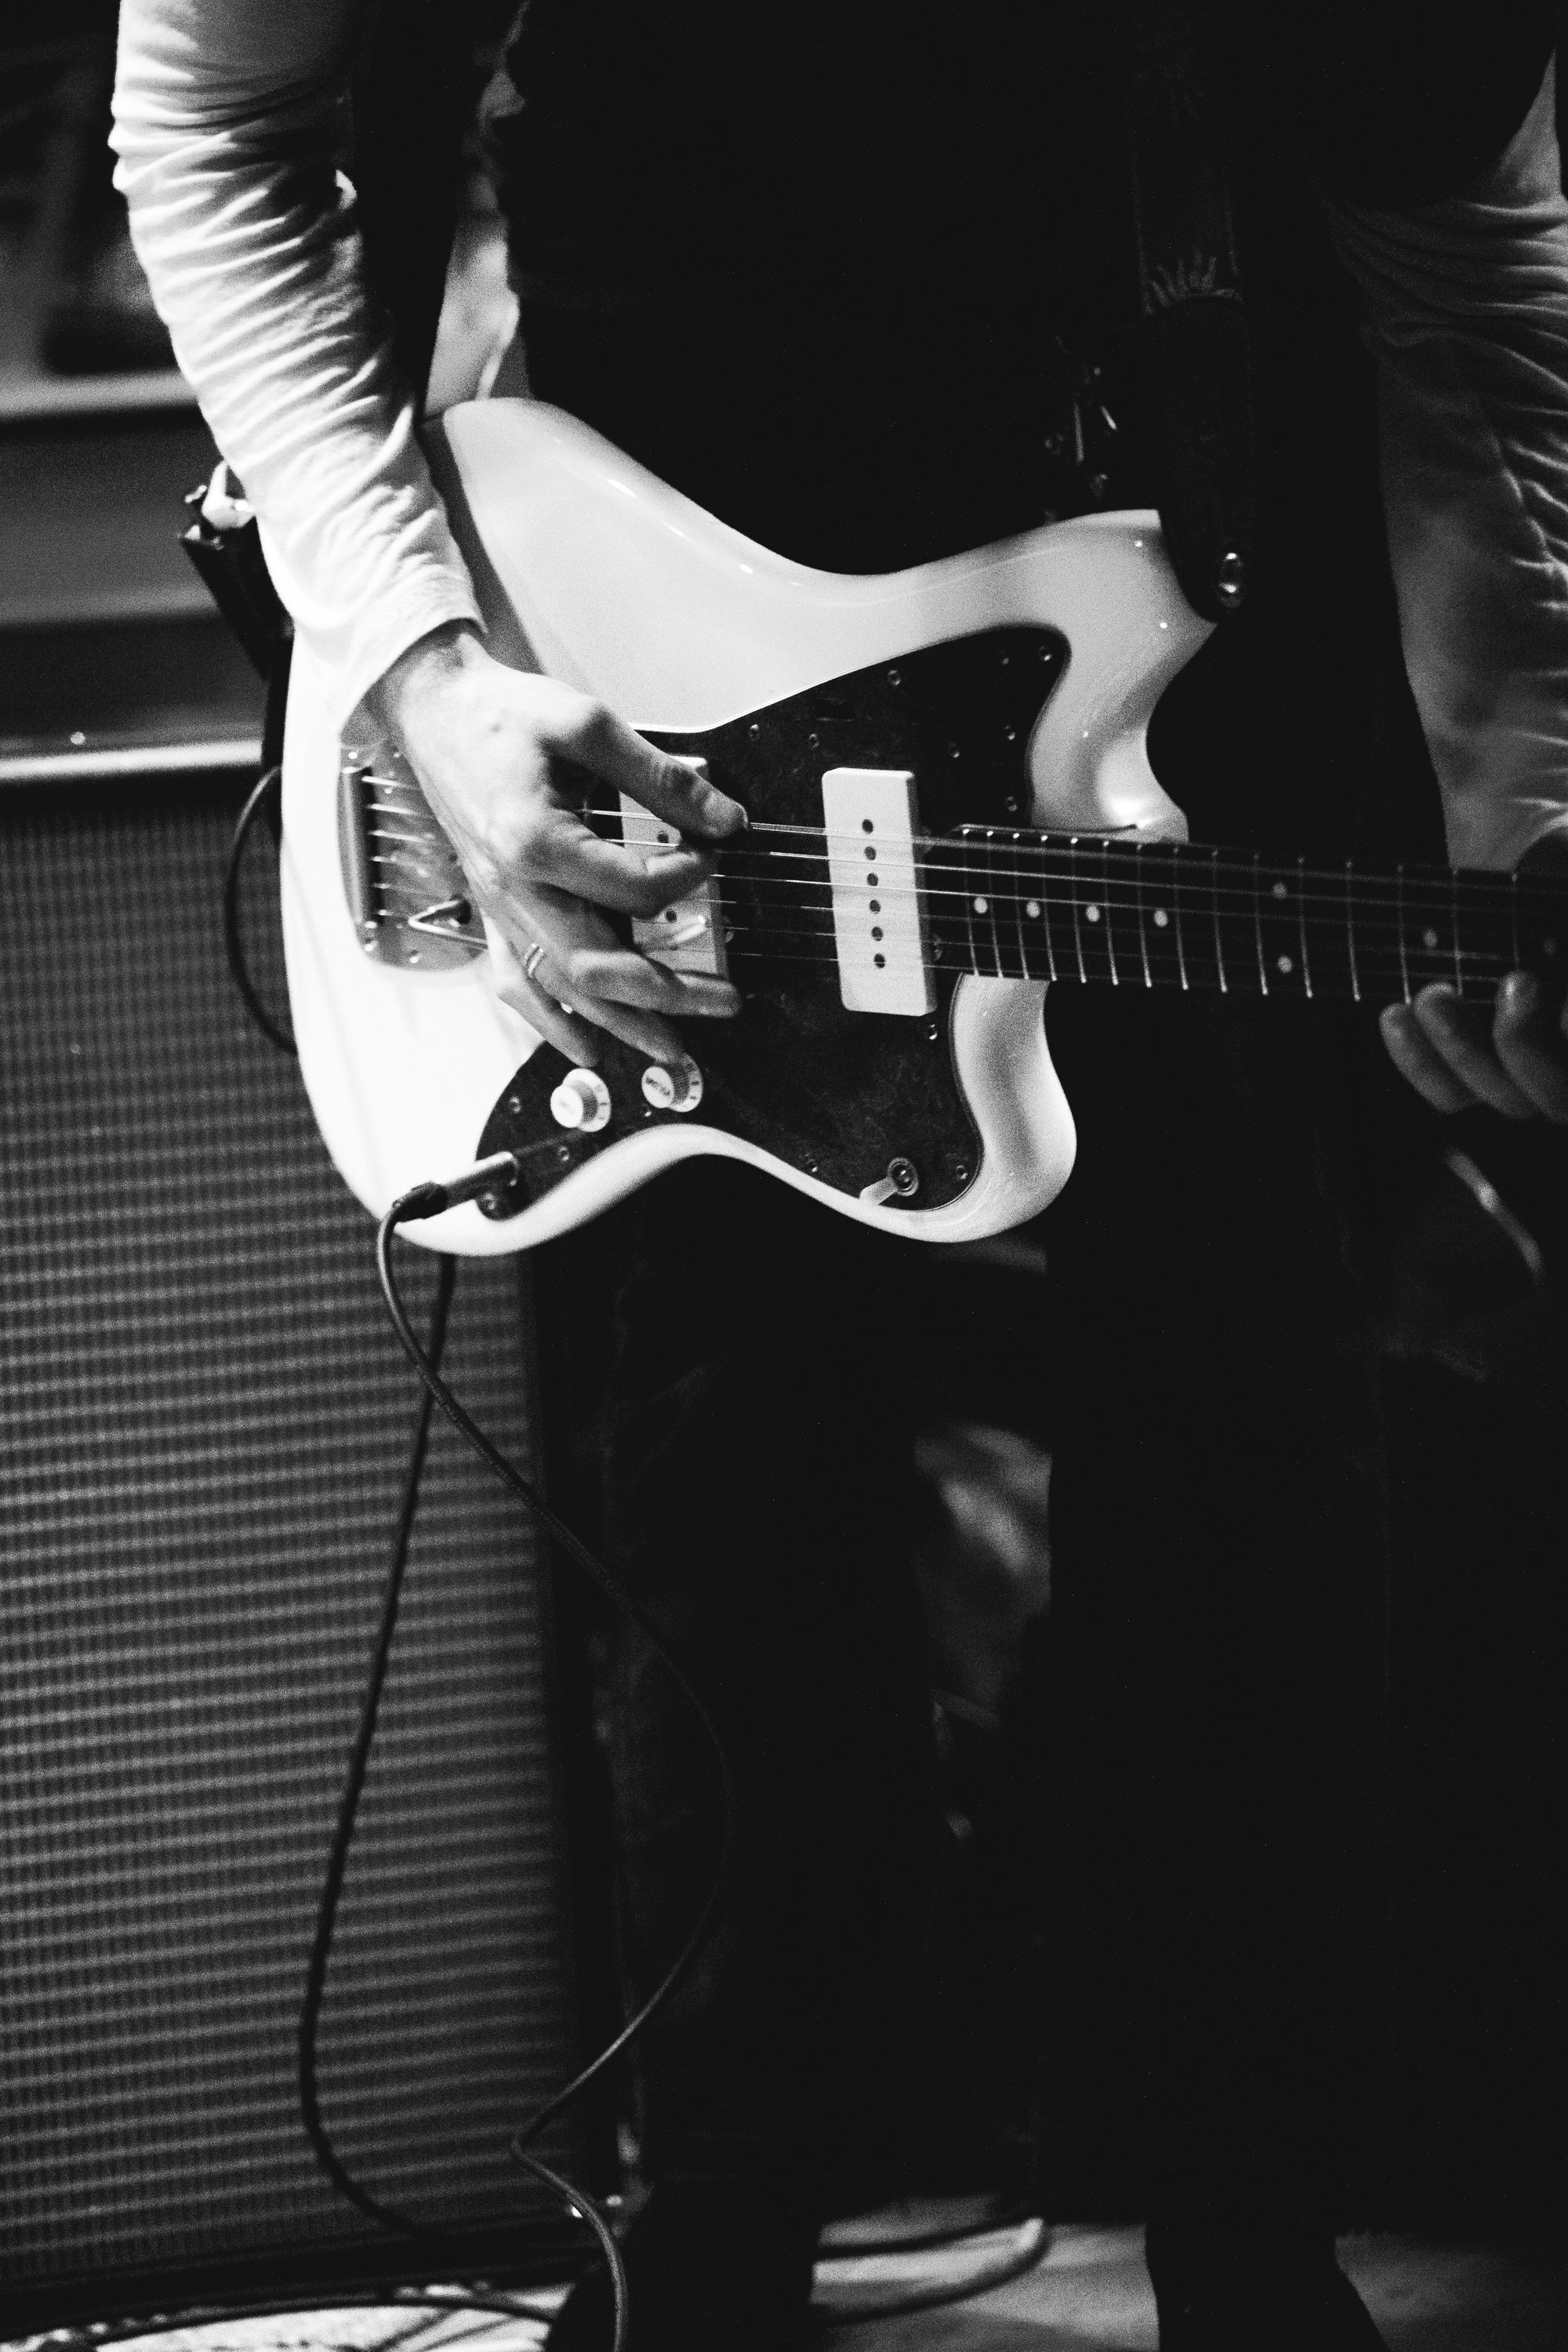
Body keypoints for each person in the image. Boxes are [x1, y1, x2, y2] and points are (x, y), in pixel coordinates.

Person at [112, 6, 1568, 2347]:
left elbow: (1467, 258)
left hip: (1196, 563)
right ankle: (716, 2217)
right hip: (649, 612)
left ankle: (1250, 2225)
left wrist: (1524, 791)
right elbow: (209, 123)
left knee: (1247, 1401)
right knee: (723, 1449)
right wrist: (419, 671)